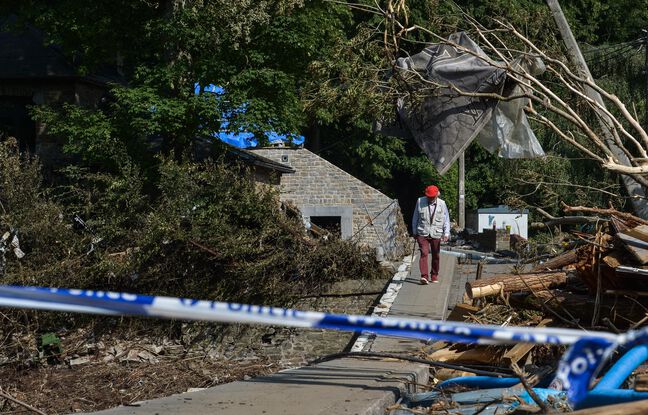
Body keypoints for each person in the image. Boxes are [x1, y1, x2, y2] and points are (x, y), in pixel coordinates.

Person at [411, 185, 450, 285]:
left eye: (432, 196)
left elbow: (446, 219)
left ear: (437, 195)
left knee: (436, 255)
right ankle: (424, 276)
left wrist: (446, 233)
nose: (430, 198)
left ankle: (434, 275)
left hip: (436, 233)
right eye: (429, 196)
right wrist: (414, 231)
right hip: (422, 232)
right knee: (424, 253)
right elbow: (415, 217)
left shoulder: (442, 204)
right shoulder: (420, 201)